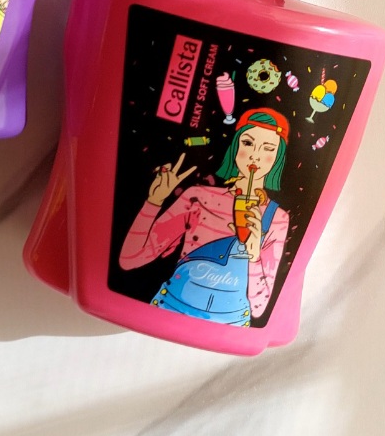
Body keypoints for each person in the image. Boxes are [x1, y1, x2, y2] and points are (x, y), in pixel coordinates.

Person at [119, 107, 291, 326]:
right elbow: (130, 259)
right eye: (248, 143)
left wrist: (254, 255)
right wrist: (154, 201)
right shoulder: (199, 198)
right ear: (235, 146)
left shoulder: (277, 219)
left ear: (277, 157)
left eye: (268, 148)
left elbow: (259, 308)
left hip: (231, 325)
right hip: (169, 308)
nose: (255, 155)